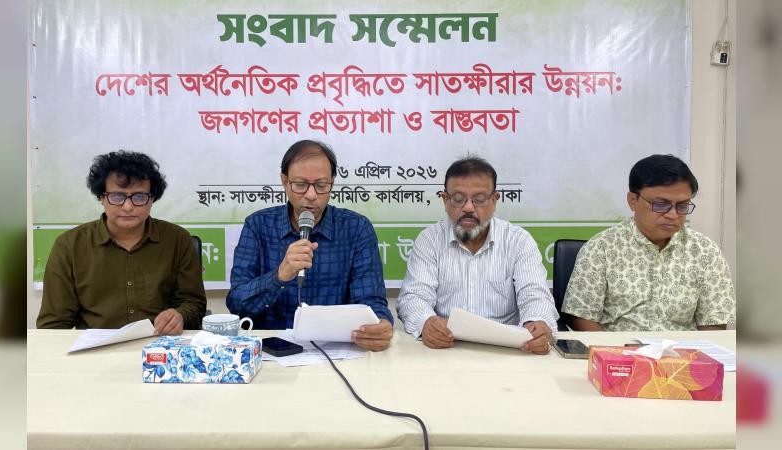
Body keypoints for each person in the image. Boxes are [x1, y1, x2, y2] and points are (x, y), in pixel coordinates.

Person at [226, 140, 394, 351]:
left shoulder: (356, 228)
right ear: (285, 181)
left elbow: (371, 301)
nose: (311, 195)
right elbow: (236, 303)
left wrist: (380, 324)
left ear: (332, 182)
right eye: (300, 185)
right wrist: (279, 276)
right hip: (272, 352)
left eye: (321, 185)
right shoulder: (258, 226)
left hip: (337, 350)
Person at [397, 156, 558, 354]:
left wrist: (537, 323)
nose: (468, 208)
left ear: (494, 200)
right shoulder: (429, 240)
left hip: (506, 350)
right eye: (458, 199)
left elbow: (535, 295)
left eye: (479, 199)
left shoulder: (518, 241)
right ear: (445, 200)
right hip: (447, 348)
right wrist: (426, 322)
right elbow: (414, 296)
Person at [37, 150, 207, 334]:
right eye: (117, 197)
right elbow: (53, 325)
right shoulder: (69, 246)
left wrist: (180, 315)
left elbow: (194, 304)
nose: (128, 206)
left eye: (139, 197)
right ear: (101, 197)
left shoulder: (177, 239)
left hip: (159, 344)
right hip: (95, 348)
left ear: (152, 199)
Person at [562, 154, 736, 331]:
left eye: (682, 206)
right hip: (618, 347)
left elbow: (714, 322)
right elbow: (581, 316)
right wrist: (612, 348)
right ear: (633, 201)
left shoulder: (706, 252)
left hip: (683, 348)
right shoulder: (601, 248)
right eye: (661, 204)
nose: (673, 215)